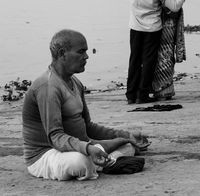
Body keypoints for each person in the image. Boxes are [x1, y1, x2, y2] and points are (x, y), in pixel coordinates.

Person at [22, 29, 148, 181]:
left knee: (128, 145)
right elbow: (55, 137)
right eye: (81, 52)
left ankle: (103, 159)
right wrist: (88, 148)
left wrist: (125, 135)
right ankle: (105, 160)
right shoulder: (48, 87)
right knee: (79, 162)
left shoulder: (75, 82)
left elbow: (88, 127)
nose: (86, 56)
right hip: (46, 154)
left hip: (79, 146)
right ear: (63, 54)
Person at [114, 0, 189, 104]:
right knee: (149, 62)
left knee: (134, 60)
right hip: (153, 29)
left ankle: (130, 95)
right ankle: (142, 95)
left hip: (135, 27)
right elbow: (174, 7)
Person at [152, 0, 190, 100]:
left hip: (159, 24)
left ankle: (159, 89)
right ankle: (167, 89)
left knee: (158, 56)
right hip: (173, 25)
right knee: (168, 55)